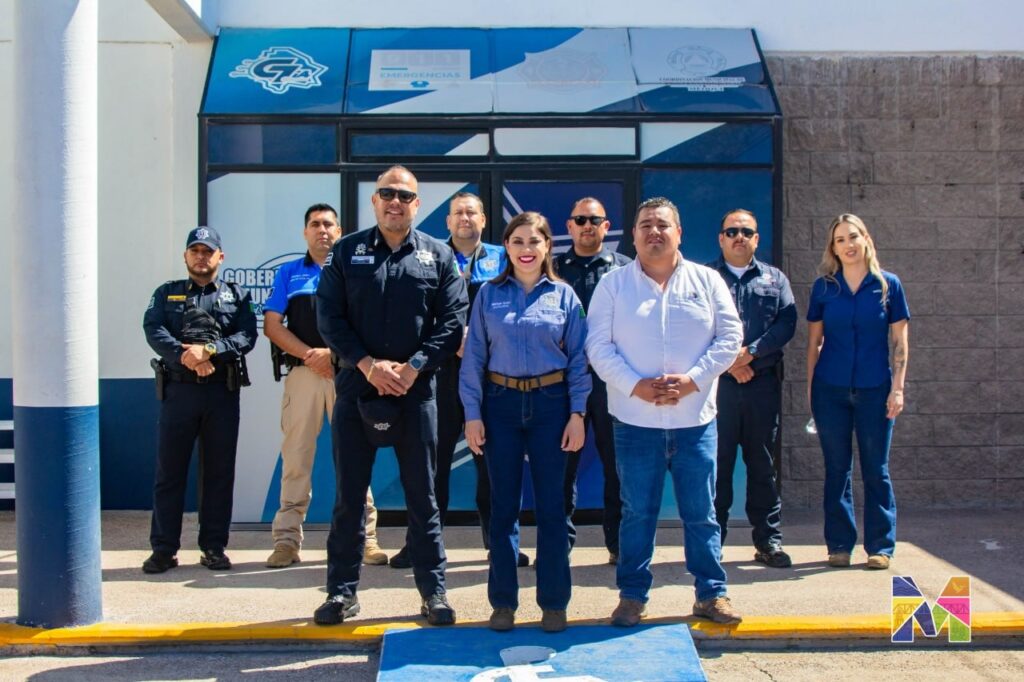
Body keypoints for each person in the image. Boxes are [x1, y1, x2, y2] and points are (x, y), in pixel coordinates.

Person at [313, 166, 468, 626]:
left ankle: (433, 593)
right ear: (375, 201)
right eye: (387, 194)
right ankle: (341, 594)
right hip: (356, 389)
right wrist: (367, 365)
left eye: (405, 195)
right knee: (348, 498)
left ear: (417, 204)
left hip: (416, 394)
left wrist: (413, 367)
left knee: (423, 498)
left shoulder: (438, 256)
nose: (395, 201)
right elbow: (329, 318)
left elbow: (452, 320)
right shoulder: (345, 252)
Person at [586, 197, 743, 626]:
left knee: (701, 513)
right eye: (645, 225)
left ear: (679, 233)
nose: (654, 232)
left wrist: (693, 380)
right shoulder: (613, 285)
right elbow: (597, 347)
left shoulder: (708, 281)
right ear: (633, 234)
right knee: (637, 513)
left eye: (662, 225)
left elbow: (730, 338)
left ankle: (711, 594)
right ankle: (633, 595)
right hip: (635, 422)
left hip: (695, 422)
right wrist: (636, 385)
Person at [460, 211, 590, 633]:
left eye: (534, 241)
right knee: (503, 511)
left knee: (553, 508)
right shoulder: (488, 295)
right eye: (517, 241)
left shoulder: (565, 296)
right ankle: (503, 602)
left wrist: (577, 414)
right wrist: (473, 415)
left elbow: (579, 362)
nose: (526, 249)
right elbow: (474, 358)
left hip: (552, 405)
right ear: (507, 248)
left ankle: (553, 602)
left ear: (547, 246)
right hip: (499, 406)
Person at [388, 192, 515, 569]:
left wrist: (475, 344)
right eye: (458, 212)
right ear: (447, 221)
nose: (465, 218)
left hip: (489, 374)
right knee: (431, 464)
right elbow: (414, 312)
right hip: (439, 373)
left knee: (491, 463)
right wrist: (449, 343)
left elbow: (511, 309)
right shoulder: (427, 255)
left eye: (471, 212)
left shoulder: (503, 258)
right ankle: (422, 545)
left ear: (483, 220)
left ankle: (499, 544)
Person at [263, 204, 388, 569]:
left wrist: (332, 354)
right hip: (304, 374)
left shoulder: (355, 271)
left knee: (354, 457)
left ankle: (366, 540)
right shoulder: (289, 273)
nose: (322, 230)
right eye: (315, 224)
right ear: (305, 232)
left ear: (340, 230)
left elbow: (368, 323)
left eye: (329, 224)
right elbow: (273, 325)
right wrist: (310, 355)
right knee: (296, 458)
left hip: (347, 373)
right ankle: (286, 542)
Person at [142, 226, 257, 573]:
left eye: (208, 251)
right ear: (186, 256)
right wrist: (185, 355)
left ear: (220, 257)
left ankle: (213, 547)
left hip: (221, 392)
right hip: (179, 392)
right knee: (170, 472)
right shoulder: (167, 294)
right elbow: (153, 329)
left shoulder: (237, 295)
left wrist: (210, 350)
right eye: (195, 250)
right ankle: (163, 549)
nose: (201, 256)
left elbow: (247, 335)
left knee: (219, 473)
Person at [806, 213, 909, 570]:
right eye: (840, 240)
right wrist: (810, 392)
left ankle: (880, 547)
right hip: (830, 389)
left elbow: (899, 342)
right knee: (837, 469)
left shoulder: (888, 285)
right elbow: (814, 343)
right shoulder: (824, 287)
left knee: (876, 468)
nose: (847, 245)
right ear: (832, 248)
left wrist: (897, 389)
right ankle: (839, 544)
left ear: (865, 239)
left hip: (874, 389)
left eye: (853, 237)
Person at [707, 209, 796, 569]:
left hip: (762, 386)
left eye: (746, 231)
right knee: (718, 465)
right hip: (718, 389)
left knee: (763, 464)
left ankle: (768, 541)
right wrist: (730, 363)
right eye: (731, 231)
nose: (739, 237)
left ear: (756, 239)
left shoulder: (775, 279)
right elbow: (695, 327)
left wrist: (751, 356)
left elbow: (786, 323)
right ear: (721, 238)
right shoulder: (704, 278)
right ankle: (712, 544)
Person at [553, 197, 631, 565]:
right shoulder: (551, 268)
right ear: (569, 226)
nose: (587, 225)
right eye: (580, 219)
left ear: (606, 225)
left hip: (609, 381)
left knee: (617, 467)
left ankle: (618, 544)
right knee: (560, 468)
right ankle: (560, 544)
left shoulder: (625, 270)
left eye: (594, 220)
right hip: (562, 382)